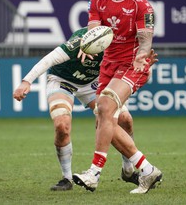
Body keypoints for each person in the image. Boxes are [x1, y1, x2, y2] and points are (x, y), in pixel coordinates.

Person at [13, 27, 158, 191]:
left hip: (93, 84)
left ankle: (128, 170)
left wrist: (144, 67)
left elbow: (136, 70)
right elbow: (50, 59)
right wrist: (26, 81)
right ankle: (67, 178)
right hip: (63, 80)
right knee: (62, 125)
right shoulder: (82, 40)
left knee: (125, 120)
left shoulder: (122, 44)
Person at [72, 0, 162, 194]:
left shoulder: (142, 5)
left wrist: (143, 56)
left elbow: (145, 39)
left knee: (104, 108)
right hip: (108, 67)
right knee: (113, 120)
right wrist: (87, 47)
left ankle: (94, 172)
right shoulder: (97, 0)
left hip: (133, 65)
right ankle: (144, 169)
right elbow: (94, 31)